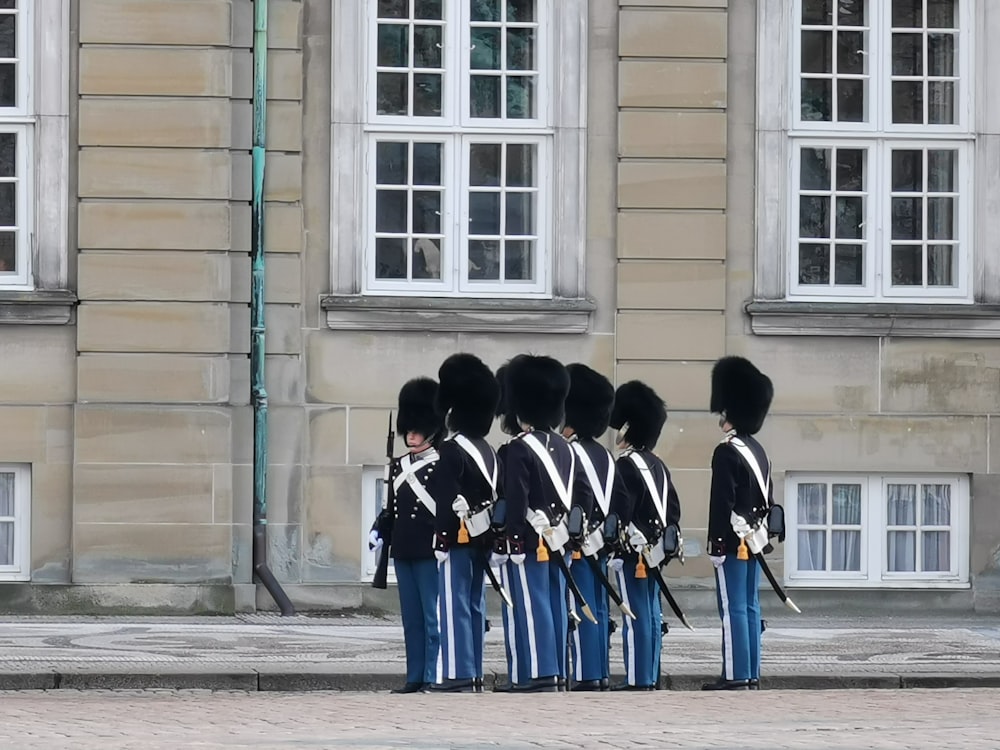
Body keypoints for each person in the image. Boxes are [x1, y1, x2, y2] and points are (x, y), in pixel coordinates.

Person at [500, 354, 575, 693]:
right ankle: (557, 670)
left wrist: (512, 539)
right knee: (557, 605)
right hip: (560, 539)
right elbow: (581, 497)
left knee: (532, 605)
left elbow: (517, 498)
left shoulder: (519, 448)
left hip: (532, 542)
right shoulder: (565, 447)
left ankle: (539, 673)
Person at [428, 353, 501, 693]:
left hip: (456, 539)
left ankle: (458, 673)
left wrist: (441, 539)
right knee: (474, 603)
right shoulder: (488, 450)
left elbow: (446, 498)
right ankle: (473, 672)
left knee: (453, 602)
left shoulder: (452, 448)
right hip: (482, 538)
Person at [704, 356, 775, 691]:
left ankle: (734, 675)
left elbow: (721, 503)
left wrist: (716, 544)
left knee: (732, 609)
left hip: (733, 543)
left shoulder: (727, 451)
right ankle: (750, 672)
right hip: (755, 540)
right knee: (749, 607)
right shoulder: (758, 450)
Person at [370, 377, 444, 694]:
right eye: (408, 429)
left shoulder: (442, 463)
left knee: (431, 617)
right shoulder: (398, 466)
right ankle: (414, 675)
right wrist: (379, 529)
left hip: (429, 548)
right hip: (403, 547)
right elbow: (392, 508)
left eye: (416, 429)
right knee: (411, 618)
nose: (410, 434)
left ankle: (431, 675)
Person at [607, 380, 682, 691]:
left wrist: (614, 545)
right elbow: (673, 510)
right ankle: (648, 675)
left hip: (633, 553)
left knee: (635, 614)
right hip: (656, 551)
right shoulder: (658, 464)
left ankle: (638, 678)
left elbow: (620, 510)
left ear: (628, 428)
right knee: (650, 613)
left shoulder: (626, 466)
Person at [563, 363, 616, 692]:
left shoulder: (571, 452)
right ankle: (599, 672)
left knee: (581, 607)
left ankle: (584, 674)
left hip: (580, 542)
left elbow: (578, 497)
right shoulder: (607, 455)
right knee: (598, 605)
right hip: (601, 541)